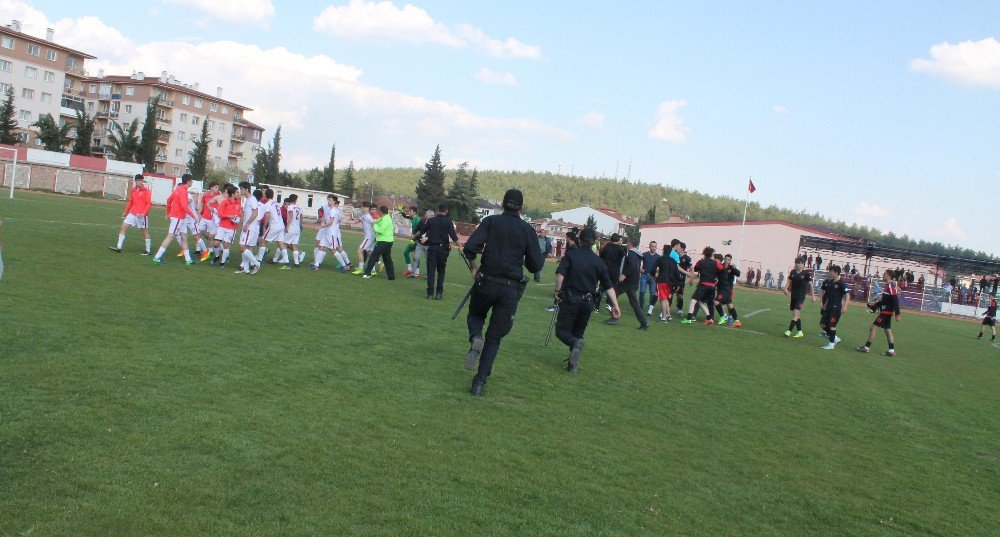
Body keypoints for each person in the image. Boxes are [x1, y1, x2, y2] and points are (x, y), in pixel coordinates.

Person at [462, 189, 545, 397]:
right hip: (510, 288)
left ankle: (475, 337)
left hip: (486, 281)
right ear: (521, 207)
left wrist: (474, 267)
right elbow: (536, 266)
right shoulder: (527, 229)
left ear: (501, 204)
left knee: (475, 315)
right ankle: (479, 383)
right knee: (495, 337)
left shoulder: (491, 222)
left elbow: (470, 247)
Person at [554, 227, 622, 373]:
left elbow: (560, 274)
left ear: (579, 239)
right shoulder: (598, 262)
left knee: (561, 331)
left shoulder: (571, 255)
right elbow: (609, 287)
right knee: (578, 332)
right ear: (594, 242)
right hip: (588, 302)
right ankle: (572, 365)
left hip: (571, 299)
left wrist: (558, 291)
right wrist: (615, 305)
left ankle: (575, 344)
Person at [413, 203, 461, 299]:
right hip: (443, 249)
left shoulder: (431, 220)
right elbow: (453, 236)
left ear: (438, 210)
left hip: (433, 248)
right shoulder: (448, 221)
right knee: (441, 271)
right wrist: (460, 246)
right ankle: (439, 294)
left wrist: (414, 236)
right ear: (446, 211)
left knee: (431, 271)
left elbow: (421, 231)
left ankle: (430, 293)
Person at [152, 174, 199, 264]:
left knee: (184, 238)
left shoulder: (178, 189)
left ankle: (188, 260)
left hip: (181, 218)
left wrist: (169, 212)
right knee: (170, 236)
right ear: (188, 181)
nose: (192, 182)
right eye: (191, 180)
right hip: (178, 218)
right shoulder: (183, 191)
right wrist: (193, 216)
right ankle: (157, 257)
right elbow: (184, 206)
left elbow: (169, 200)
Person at [606, 238, 646, 330]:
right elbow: (636, 267)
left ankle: (615, 317)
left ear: (630, 243)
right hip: (634, 281)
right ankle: (644, 322)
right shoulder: (638, 254)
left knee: (611, 295)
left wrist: (624, 274)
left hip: (627, 282)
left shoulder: (631, 253)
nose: (626, 244)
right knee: (634, 303)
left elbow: (632, 265)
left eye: (627, 242)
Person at [857, 271, 901, 356]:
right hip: (886, 311)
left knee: (873, 327)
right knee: (887, 330)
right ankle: (891, 351)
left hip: (886, 312)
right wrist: (876, 304)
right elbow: (886, 301)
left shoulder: (891, 286)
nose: (883, 275)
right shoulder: (887, 286)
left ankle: (866, 347)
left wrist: (897, 314)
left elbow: (895, 300)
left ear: (888, 276)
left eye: (884, 274)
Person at [109, 174, 152, 255]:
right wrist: (126, 211)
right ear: (135, 181)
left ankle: (148, 250)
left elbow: (149, 204)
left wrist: (143, 213)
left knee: (144, 232)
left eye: (141, 180)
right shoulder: (133, 190)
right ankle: (119, 247)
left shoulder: (146, 191)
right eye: (138, 180)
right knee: (123, 227)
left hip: (142, 215)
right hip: (132, 213)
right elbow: (131, 202)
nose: (140, 182)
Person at [682, 247, 724, 325]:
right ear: (712, 254)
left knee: (693, 300)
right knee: (701, 301)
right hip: (712, 287)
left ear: (704, 253)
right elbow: (722, 268)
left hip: (703, 285)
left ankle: (689, 319)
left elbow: (695, 269)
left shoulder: (700, 262)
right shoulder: (716, 263)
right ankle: (709, 318)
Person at [783, 257, 816, 337]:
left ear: (803, 265)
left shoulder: (806, 273)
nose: (799, 265)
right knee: (797, 314)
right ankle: (800, 332)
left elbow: (810, 285)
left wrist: (813, 296)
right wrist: (785, 288)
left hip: (801, 296)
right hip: (793, 295)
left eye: (801, 263)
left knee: (795, 313)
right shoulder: (793, 272)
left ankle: (789, 331)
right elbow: (788, 281)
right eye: (797, 263)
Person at [210, 184, 241, 268]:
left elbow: (238, 215)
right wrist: (229, 216)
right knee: (216, 244)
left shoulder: (238, 203)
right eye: (237, 192)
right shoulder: (225, 202)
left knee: (226, 245)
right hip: (222, 226)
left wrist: (237, 219)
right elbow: (220, 214)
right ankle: (217, 256)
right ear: (232, 194)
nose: (239, 194)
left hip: (232, 228)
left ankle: (222, 263)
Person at [819, 265, 849, 350]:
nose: (829, 273)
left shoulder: (841, 283)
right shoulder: (831, 282)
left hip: (835, 308)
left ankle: (831, 344)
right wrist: (824, 304)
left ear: (835, 272)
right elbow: (829, 295)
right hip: (828, 306)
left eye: (831, 271)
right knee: (822, 324)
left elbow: (847, 295)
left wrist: (845, 306)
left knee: (832, 325)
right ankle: (835, 338)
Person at [362, 206, 396, 280]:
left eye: (378, 211)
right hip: (388, 241)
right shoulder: (384, 218)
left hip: (383, 242)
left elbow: (380, 230)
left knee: (373, 257)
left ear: (381, 212)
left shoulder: (386, 219)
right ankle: (391, 277)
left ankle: (367, 274)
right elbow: (377, 221)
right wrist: (372, 221)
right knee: (387, 259)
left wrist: (373, 225)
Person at [234, 183, 261, 274]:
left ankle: (256, 263)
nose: (240, 191)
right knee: (244, 247)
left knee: (242, 247)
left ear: (246, 189)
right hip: (247, 227)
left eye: (241, 189)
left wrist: (247, 224)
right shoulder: (248, 199)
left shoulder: (252, 199)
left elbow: (256, 212)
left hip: (250, 228)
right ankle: (246, 269)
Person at [652, 241, 683, 322]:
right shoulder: (673, 261)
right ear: (670, 252)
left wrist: (654, 275)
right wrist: (678, 283)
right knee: (665, 299)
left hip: (661, 281)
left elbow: (653, 268)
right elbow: (677, 273)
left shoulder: (660, 259)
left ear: (663, 250)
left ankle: (663, 317)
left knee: (662, 299)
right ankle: (668, 316)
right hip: (670, 282)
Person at [596, 233, 626, 313]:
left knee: (601, 288)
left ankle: (596, 307)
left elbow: (600, 258)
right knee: (613, 288)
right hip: (615, 271)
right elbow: (623, 260)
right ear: (618, 240)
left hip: (605, 270)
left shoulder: (606, 247)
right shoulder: (620, 249)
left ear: (611, 239)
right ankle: (609, 303)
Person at [255, 188, 283, 264]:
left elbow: (267, 215)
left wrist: (264, 226)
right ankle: (287, 262)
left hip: (274, 225)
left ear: (265, 195)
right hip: (281, 225)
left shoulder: (267, 204)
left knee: (262, 241)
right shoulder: (276, 203)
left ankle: (259, 259)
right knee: (280, 242)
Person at [194, 181, 220, 261]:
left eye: (218, 187)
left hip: (213, 220)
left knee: (211, 236)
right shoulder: (205, 195)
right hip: (204, 218)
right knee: (198, 232)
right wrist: (198, 215)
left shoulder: (219, 196)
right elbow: (202, 205)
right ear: (211, 187)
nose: (217, 188)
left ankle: (211, 251)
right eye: (216, 187)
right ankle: (198, 250)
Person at [715, 254, 742, 327]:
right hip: (721, 288)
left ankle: (726, 316)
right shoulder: (721, 266)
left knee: (717, 301)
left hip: (728, 289)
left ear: (730, 261)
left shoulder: (731, 267)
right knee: (729, 304)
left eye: (729, 260)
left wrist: (734, 268)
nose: (727, 261)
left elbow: (738, 274)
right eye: (726, 259)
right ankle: (736, 321)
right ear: (724, 259)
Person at [276, 194, 302, 269]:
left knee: (282, 243)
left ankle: (285, 261)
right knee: (294, 245)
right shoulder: (299, 208)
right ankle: (296, 263)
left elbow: (290, 216)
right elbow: (301, 218)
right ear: (295, 200)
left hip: (291, 228)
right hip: (297, 229)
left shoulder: (290, 206)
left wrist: (287, 226)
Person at [352, 202, 377, 275]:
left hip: (369, 237)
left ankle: (360, 268)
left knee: (359, 251)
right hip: (370, 237)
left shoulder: (368, 217)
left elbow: (374, 225)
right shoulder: (363, 215)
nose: (361, 208)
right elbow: (357, 221)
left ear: (366, 208)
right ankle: (373, 270)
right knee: (369, 253)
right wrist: (345, 221)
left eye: (362, 207)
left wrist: (377, 235)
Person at [639, 241, 660, 316]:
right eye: (652, 246)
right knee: (642, 291)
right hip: (644, 275)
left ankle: (650, 308)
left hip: (653, 277)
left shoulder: (658, 256)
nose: (654, 248)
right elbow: (637, 261)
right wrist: (640, 268)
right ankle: (640, 306)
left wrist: (658, 272)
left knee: (652, 293)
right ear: (649, 246)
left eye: (655, 246)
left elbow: (660, 266)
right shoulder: (644, 254)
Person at [401, 207, 422, 278]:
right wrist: (401, 211)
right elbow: (405, 216)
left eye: (410, 211)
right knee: (406, 252)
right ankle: (409, 269)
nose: (409, 212)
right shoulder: (412, 218)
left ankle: (417, 272)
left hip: (417, 240)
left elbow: (421, 231)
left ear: (414, 212)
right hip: (413, 239)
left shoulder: (418, 219)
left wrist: (415, 239)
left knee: (416, 256)